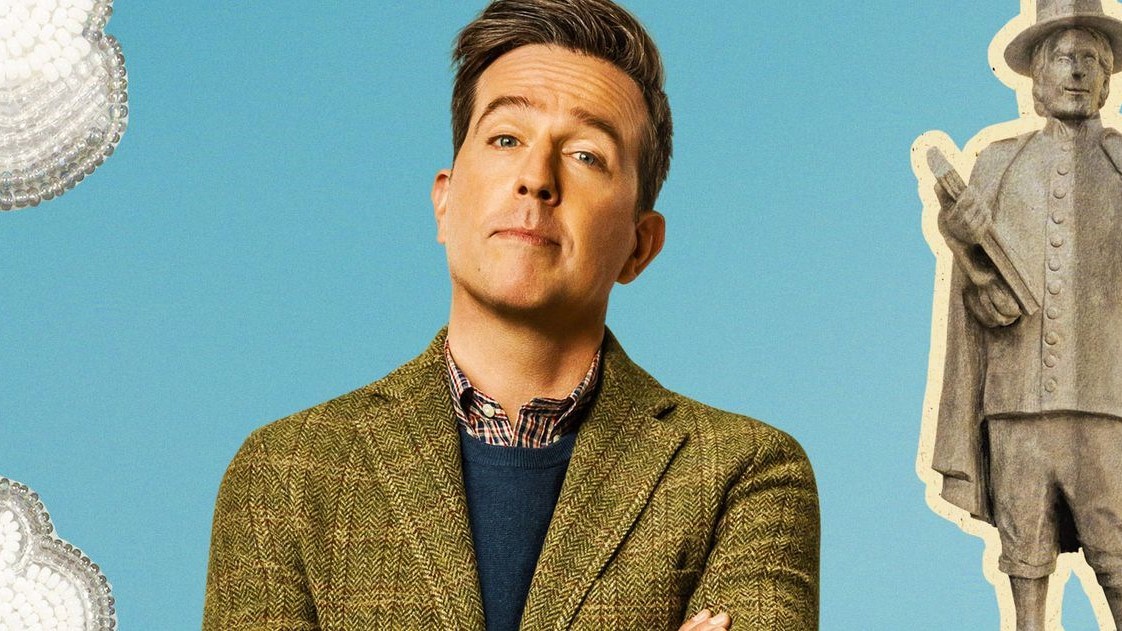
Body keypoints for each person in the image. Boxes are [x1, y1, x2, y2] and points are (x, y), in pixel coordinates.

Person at [202, 1, 819, 629]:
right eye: (505, 139)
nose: (535, 178)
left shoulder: (743, 474)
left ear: (640, 245)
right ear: (444, 203)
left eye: (586, 155)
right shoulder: (286, 472)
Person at [933, 1, 1122, 629]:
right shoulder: (998, 162)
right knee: (1023, 547)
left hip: (1107, 398)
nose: (1078, 72)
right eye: (1064, 58)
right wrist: (974, 268)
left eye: (1091, 60)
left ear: (1108, 78)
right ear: (1037, 76)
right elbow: (977, 291)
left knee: (1116, 547)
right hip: (1015, 397)